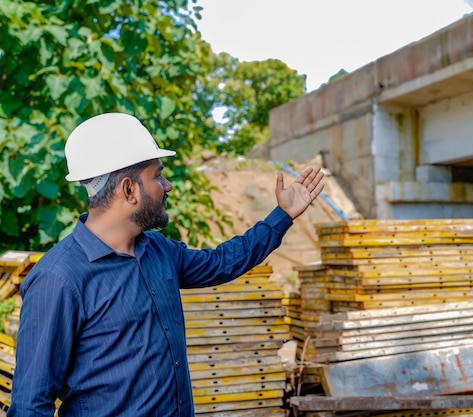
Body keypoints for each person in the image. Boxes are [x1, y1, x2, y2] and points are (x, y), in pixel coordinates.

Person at [8, 112, 324, 417]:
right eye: (157, 175)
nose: (168, 184)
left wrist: (282, 216)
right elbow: (30, 405)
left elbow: (221, 262)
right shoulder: (59, 278)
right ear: (129, 189)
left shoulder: (157, 250)